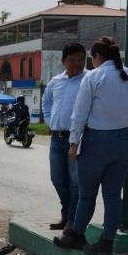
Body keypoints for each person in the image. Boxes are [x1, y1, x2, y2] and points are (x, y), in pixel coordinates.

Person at [53, 36, 128, 255]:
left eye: (90, 59)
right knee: (113, 196)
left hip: (96, 143)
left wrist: (74, 143)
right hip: (124, 142)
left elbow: (80, 114)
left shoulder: (94, 77)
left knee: (87, 195)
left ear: (97, 57)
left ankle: (76, 236)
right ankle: (106, 245)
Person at [41, 43, 87, 231]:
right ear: (63, 61)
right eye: (72, 60)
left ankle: (71, 221)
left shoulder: (89, 79)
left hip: (76, 139)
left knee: (74, 182)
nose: (76, 63)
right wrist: (50, 121)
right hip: (56, 138)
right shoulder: (56, 81)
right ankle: (66, 215)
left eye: (80, 60)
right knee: (57, 179)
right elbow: (46, 100)